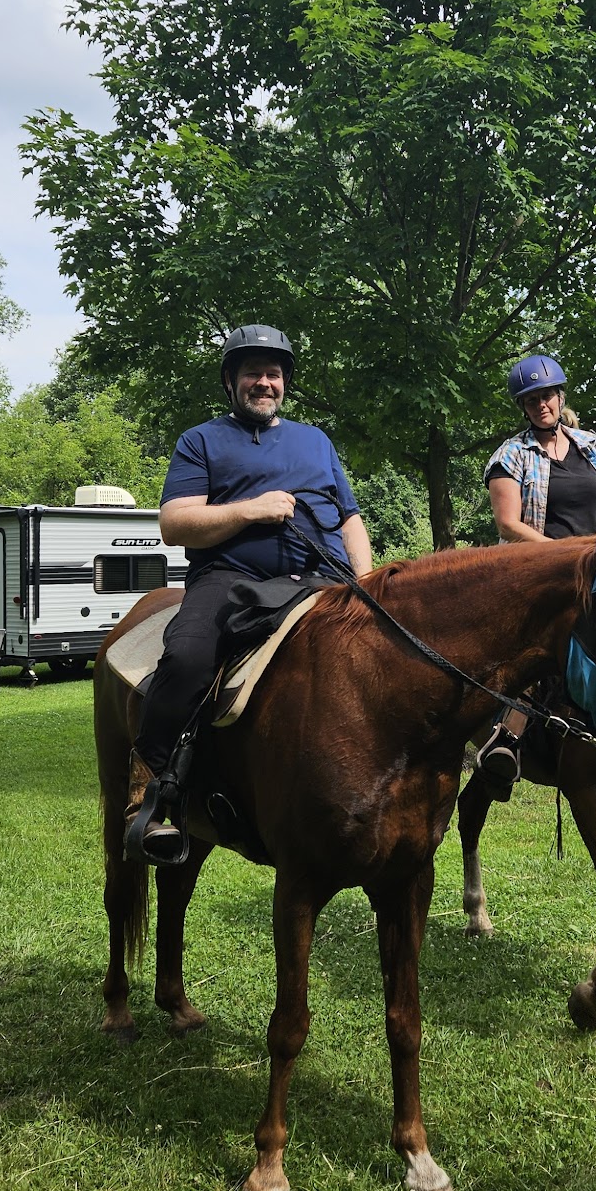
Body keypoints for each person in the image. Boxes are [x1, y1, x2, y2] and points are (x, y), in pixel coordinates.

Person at [126, 324, 372, 859]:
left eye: (273, 374)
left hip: (324, 579)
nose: (264, 382)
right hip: (229, 580)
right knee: (188, 657)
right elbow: (174, 524)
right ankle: (148, 794)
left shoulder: (317, 441)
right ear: (230, 381)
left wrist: (365, 580)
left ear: (285, 382)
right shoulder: (201, 440)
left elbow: (350, 519)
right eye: (252, 373)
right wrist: (251, 510)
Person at [474, 356, 596, 791]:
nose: (541, 405)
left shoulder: (591, 445)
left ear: (560, 396)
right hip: (543, 572)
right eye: (531, 399)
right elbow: (508, 525)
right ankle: (507, 738)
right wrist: (566, 555)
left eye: (547, 396)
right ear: (523, 406)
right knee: (535, 650)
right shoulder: (511, 455)